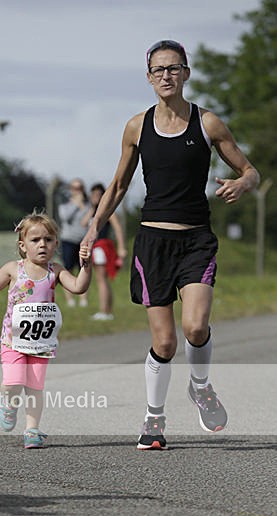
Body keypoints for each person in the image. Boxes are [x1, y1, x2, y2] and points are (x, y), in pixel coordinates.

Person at [81, 39, 259, 450]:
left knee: (195, 327)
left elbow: (252, 171)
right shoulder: (136, 126)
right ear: (149, 77)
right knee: (165, 343)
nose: (166, 75)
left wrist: (243, 183)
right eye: (159, 70)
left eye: (174, 68)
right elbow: (119, 184)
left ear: (186, 73)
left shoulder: (208, 123)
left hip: (196, 240)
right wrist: (93, 228)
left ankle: (200, 387)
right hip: (153, 243)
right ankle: (154, 420)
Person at [0, 211, 91, 448]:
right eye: (35, 240)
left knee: (35, 387)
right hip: (12, 340)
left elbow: (78, 287)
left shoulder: (55, 271)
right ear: (23, 245)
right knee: (13, 382)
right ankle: (8, 403)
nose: (42, 245)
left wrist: (86, 266)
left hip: (41, 342)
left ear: (56, 243)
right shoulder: (13, 269)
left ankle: (32, 430)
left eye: (48, 239)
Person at [81, 182, 127, 321]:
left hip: (102, 246)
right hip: (95, 247)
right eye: (93, 194)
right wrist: (92, 208)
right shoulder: (93, 211)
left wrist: (121, 247)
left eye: (98, 195)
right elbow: (83, 223)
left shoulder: (108, 211)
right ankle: (106, 310)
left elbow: (118, 228)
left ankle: (105, 311)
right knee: (101, 279)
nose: (95, 197)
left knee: (102, 279)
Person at [58, 178, 90, 307]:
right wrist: (76, 205)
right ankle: (70, 300)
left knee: (84, 269)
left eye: (80, 188)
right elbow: (65, 218)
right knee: (68, 270)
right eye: (75, 188)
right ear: (71, 190)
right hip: (68, 240)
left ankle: (83, 300)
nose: (78, 191)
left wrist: (84, 206)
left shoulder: (88, 206)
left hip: (83, 240)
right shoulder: (64, 206)